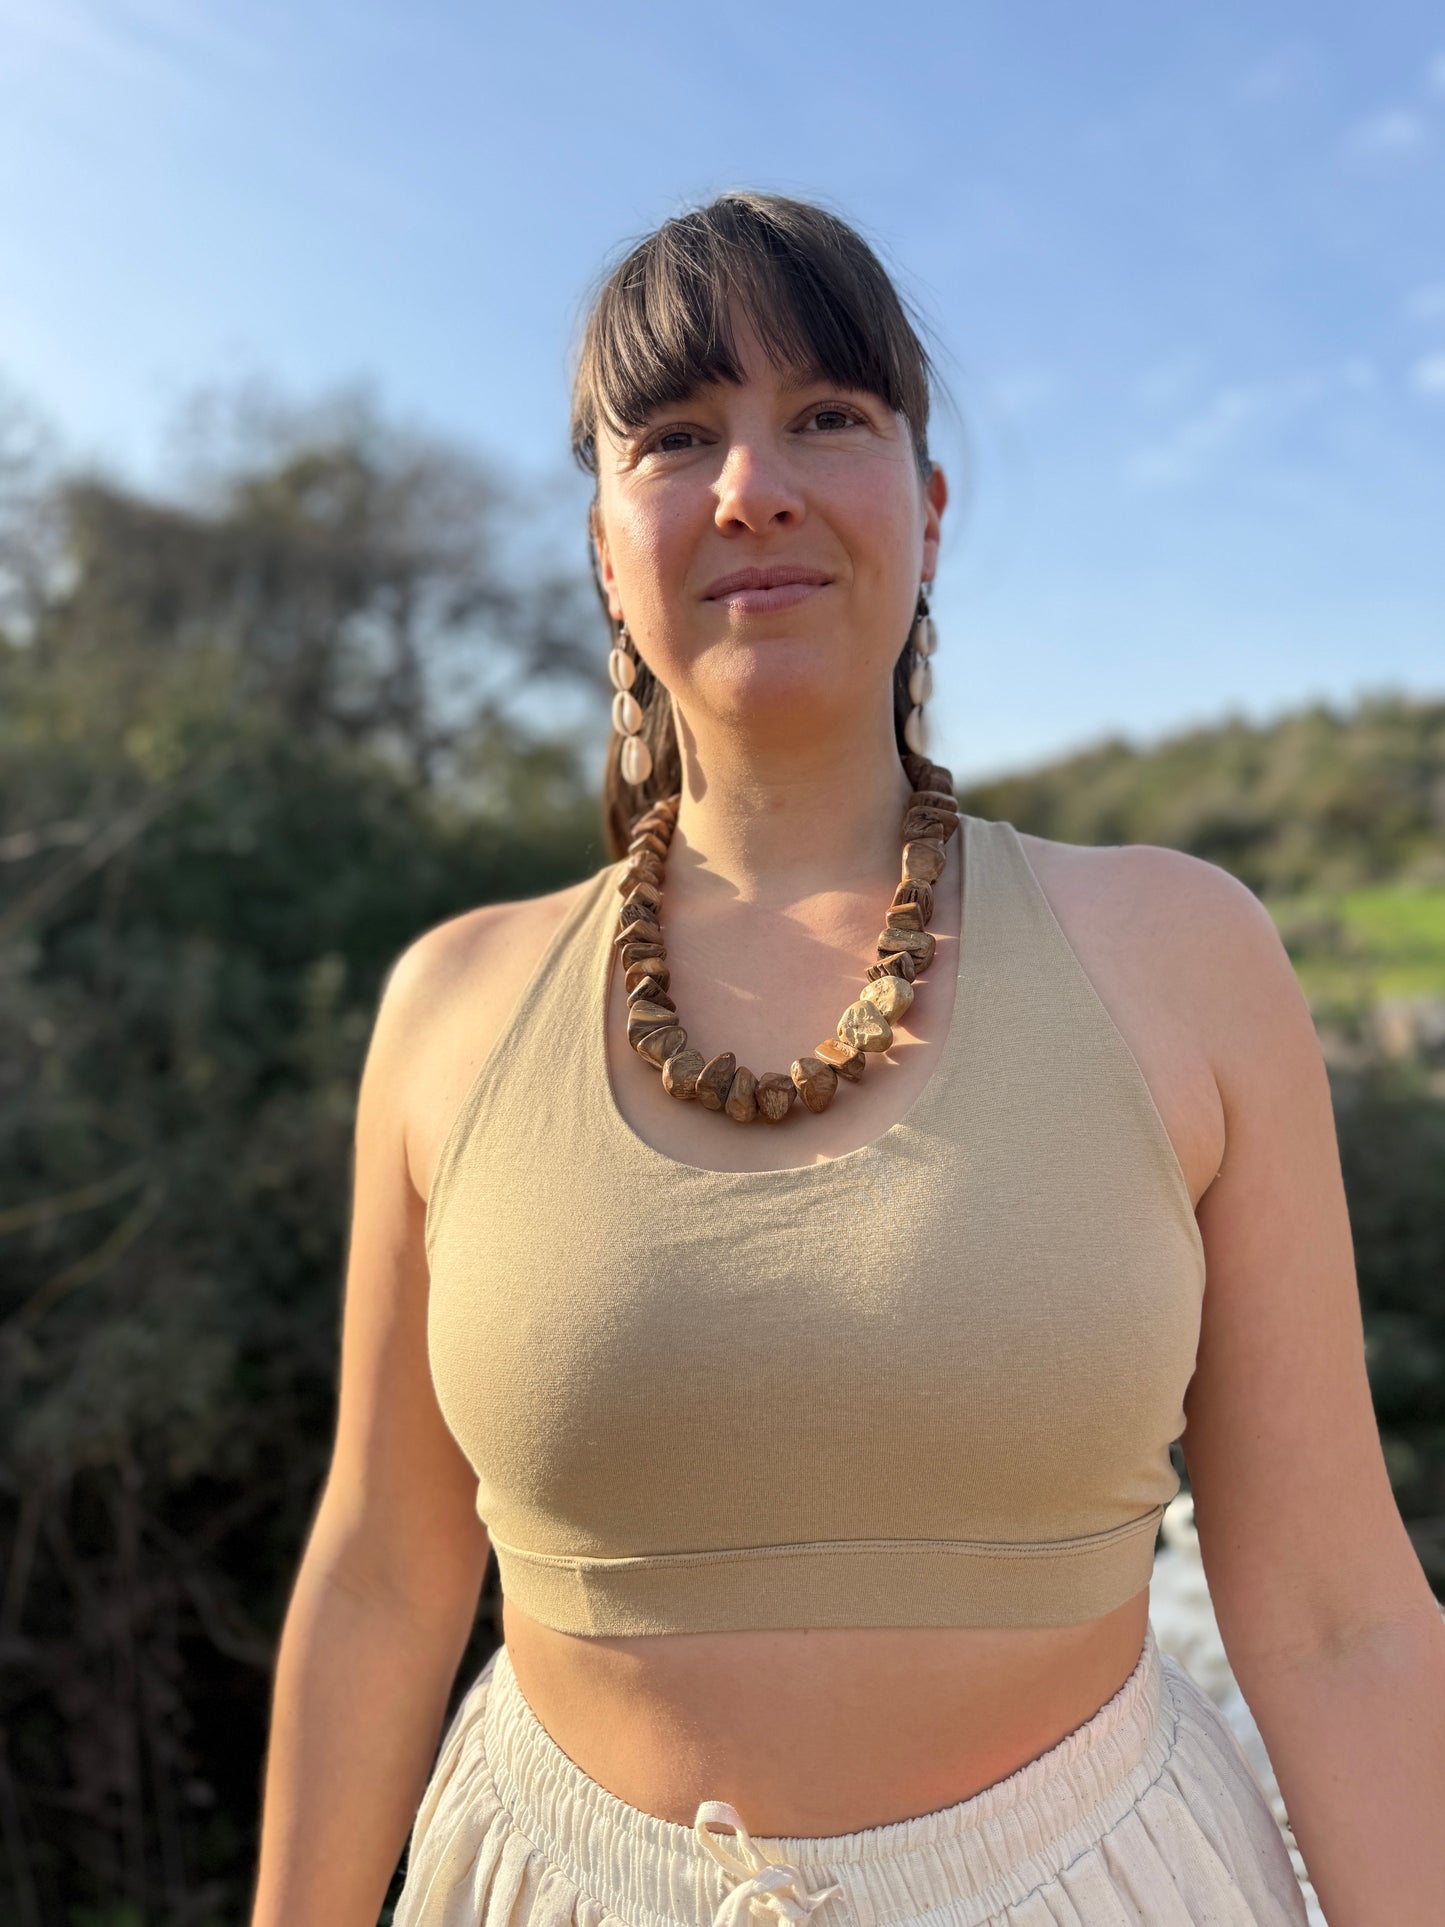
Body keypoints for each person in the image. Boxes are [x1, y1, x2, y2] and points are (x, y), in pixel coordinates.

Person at [250, 192, 1445, 1927]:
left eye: (828, 415)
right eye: (673, 438)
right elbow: (377, 1578)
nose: (753, 485)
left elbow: (1337, 1608)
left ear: (928, 510)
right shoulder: (450, 1006)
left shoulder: (1184, 956)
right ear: (601, 544)